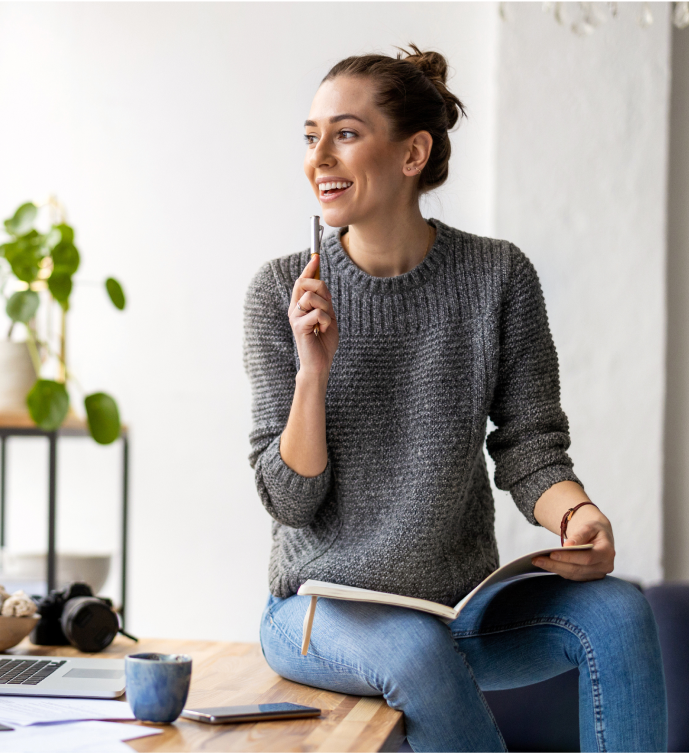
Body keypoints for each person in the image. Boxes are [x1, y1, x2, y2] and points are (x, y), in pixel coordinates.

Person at [244, 46, 666, 753]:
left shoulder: (498, 276)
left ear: (412, 153)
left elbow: (530, 445)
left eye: (344, 133)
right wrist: (313, 372)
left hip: (459, 609)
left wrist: (578, 512)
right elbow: (290, 502)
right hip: (317, 612)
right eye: (311, 135)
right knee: (413, 651)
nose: (319, 156)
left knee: (619, 612)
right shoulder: (279, 291)